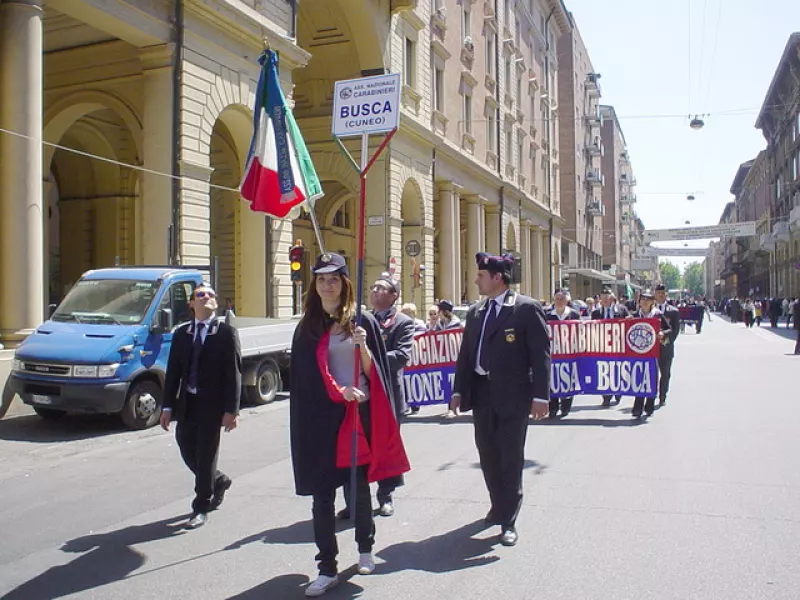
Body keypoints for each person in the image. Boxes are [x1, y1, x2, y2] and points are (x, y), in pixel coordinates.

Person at [289, 252, 410, 597]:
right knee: (322, 496)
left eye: (335, 279)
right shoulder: (307, 328)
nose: (328, 285)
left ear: (344, 283)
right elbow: (306, 380)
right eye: (322, 279)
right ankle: (326, 568)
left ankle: (365, 549)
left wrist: (364, 349)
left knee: (358, 490)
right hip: (322, 420)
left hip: (357, 417)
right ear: (315, 285)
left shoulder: (362, 321)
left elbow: (378, 376)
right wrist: (338, 390)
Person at [450, 252, 551, 547]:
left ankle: (509, 519)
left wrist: (541, 396)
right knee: (488, 455)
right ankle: (497, 505)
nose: (476, 280)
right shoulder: (477, 312)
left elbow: (541, 356)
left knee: (510, 457)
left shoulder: (525, 309)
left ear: (497, 278)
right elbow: (466, 354)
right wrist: (458, 391)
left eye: (481, 275)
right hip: (482, 393)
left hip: (513, 396)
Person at [161, 284, 241, 530]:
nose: (207, 297)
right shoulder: (182, 333)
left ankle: (200, 506)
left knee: (206, 455)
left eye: (211, 295)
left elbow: (234, 373)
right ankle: (218, 480)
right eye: (201, 295)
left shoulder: (226, 332)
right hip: (188, 402)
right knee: (186, 447)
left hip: (212, 405)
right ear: (191, 303)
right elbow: (173, 372)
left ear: (215, 304)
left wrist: (232, 410)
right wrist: (166, 407)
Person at [339, 273, 413, 518]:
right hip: (359, 392)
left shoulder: (402, 322)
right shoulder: (357, 320)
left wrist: (371, 355)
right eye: (372, 286)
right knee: (353, 447)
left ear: (394, 296)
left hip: (387, 394)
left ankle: (386, 496)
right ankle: (353, 502)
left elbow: (401, 356)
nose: (374, 290)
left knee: (385, 446)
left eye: (382, 288)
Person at [630, 290, 671, 419]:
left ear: (653, 302)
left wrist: (663, 333)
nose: (645, 302)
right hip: (638, 353)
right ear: (639, 301)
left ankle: (649, 406)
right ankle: (637, 408)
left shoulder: (658, 315)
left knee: (651, 379)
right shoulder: (635, 315)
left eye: (648, 300)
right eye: (643, 299)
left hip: (654, 353)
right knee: (638, 379)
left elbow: (669, 329)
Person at [545, 289, 581, 419]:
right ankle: (553, 407)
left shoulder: (574, 315)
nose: (559, 301)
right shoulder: (547, 314)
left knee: (568, 379)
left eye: (562, 299)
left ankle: (566, 407)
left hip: (569, 354)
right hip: (552, 354)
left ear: (567, 301)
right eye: (557, 299)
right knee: (552, 381)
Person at [591, 288, 629, 406]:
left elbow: (629, 324)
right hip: (603, 346)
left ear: (612, 298)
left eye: (607, 298)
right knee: (604, 370)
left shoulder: (622, 310)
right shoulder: (596, 313)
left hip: (619, 346)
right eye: (603, 298)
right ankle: (606, 396)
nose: (605, 300)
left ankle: (618, 392)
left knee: (618, 369)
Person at [654, 284, 680, 407]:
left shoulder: (673, 311)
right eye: (658, 293)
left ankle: (662, 396)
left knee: (665, 374)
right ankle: (651, 396)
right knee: (651, 373)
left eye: (662, 293)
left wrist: (665, 340)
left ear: (666, 295)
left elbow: (675, 331)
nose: (660, 295)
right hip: (651, 349)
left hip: (666, 348)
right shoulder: (650, 310)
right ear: (655, 294)